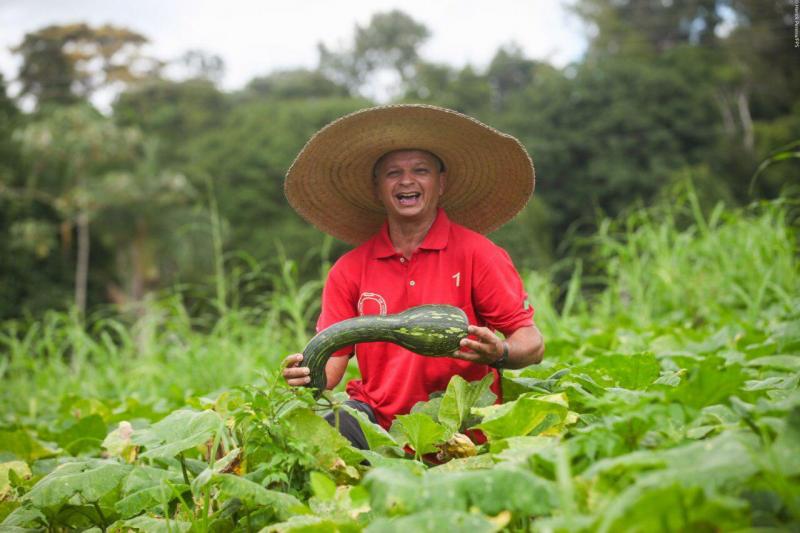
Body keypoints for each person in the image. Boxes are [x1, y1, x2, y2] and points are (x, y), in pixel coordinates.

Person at [281, 104, 544, 449]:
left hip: (460, 424)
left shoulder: (478, 254)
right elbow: (333, 364)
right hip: (376, 423)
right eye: (393, 173)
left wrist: (501, 352)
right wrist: (306, 376)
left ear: (441, 183)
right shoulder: (349, 269)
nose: (407, 181)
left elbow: (532, 343)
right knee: (327, 430)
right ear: (377, 188)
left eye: (421, 170)